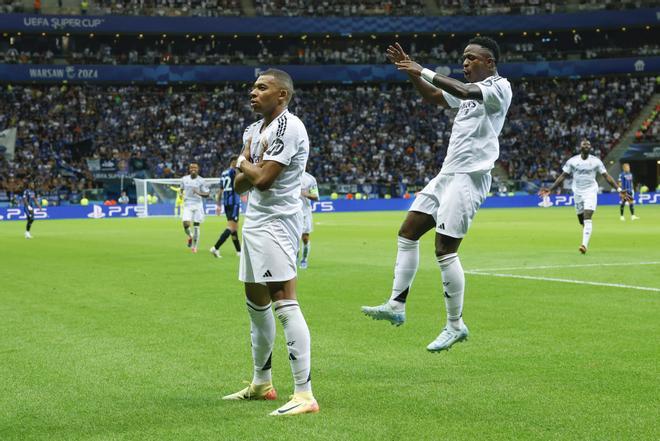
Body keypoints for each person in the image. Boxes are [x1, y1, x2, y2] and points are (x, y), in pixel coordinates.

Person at [361, 38, 512, 353]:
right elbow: (433, 95)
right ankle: (396, 304)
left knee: (444, 250)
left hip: (470, 177)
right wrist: (411, 71)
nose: (465, 63)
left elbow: (463, 90)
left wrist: (423, 68)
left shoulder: (499, 88)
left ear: (490, 62)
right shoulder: (468, 93)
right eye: (463, 58)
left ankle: (455, 325)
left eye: (471, 58)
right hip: (447, 175)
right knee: (408, 232)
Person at [222, 69, 319, 416]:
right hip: (255, 223)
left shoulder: (288, 127)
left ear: (282, 95)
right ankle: (262, 383)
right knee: (255, 302)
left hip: (278, 223)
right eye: (252, 87)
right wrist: (246, 166)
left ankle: (305, 395)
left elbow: (260, 179)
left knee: (283, 299)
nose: (253, 92)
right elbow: (238, 185)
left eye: (262, 87)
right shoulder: (253, 130)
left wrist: (244, 162)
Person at [538, 139, 631, 254]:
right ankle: (586, 231)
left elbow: (606, 176)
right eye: (584, 144)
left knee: (587, 217)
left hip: (590, 192)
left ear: (590, 148)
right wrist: (551, 189)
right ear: (580, 147)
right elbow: (563, 176)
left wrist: (619, 189)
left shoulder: (596, 161)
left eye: (588, 144)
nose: (587, 145)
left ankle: (584, 245)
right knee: (581, 220)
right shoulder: (572, 161)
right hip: (577, 192)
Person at [210, 155, 242, 258]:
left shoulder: (223, 173)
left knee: (234, 228)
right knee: (232, 227)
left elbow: (220, 190)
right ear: (233, 162)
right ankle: (215, 248)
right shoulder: (234, 172)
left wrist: (218, 204)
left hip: (226, 202)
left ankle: (239, 252)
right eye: (237, 162)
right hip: (234, 203)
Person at [180, 163, 209, 253]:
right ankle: (191, 236)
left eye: (195, 168)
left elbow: (207, 194)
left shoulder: (201, 181)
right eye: (191, 167)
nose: (193, 169)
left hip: (198, 205)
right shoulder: (184, 179)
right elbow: (181, 189)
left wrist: (198, 193)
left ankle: (194, 247)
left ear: (198, 169)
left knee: (196, 226)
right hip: (187, 204)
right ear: (189, 169)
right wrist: (181, 194)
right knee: (185, 224)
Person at [299, 171, 319, 269]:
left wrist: (305, 194)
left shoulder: (309, 179)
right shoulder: (286, 174)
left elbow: (316, 196)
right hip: (290, 211)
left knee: (305, 238)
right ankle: (292, 260)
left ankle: (304, 259)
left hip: (305, 212)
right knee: (291, 239)